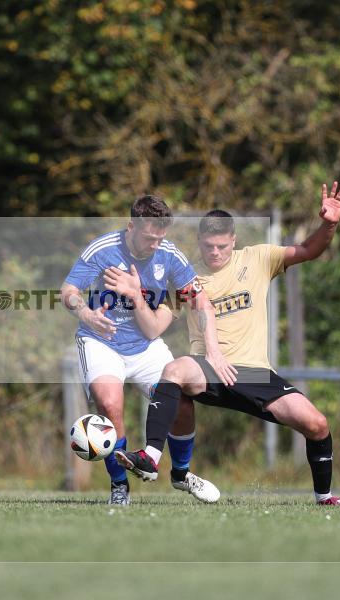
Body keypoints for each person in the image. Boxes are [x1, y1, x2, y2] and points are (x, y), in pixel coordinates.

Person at [113, 182, 340, 506]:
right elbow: (154, 328)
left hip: (255, 375)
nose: (215, 253)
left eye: (222, 246)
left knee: (317, 424)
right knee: (174, 369)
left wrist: (330, 223)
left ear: (234, 241)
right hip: (210, 369)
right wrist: (135, 298)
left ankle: (323, 496)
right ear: (198, 241)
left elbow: (309, 249)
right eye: (209, 246)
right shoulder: (185, 278)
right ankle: (150, 457)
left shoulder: (258, 259)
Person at [60, 194, 234, 505]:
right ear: (131, 226)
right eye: (149, 238)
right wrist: (86, 314)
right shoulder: (103, 250)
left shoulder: (169, 256)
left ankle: (181, 474)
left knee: (180, 401)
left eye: (160, 238)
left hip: (145, 346)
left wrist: (214, 351)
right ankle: (119, 486)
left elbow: (200, 301)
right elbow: (68, 291)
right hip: (101, 342)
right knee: (110, 404)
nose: (155, 245)